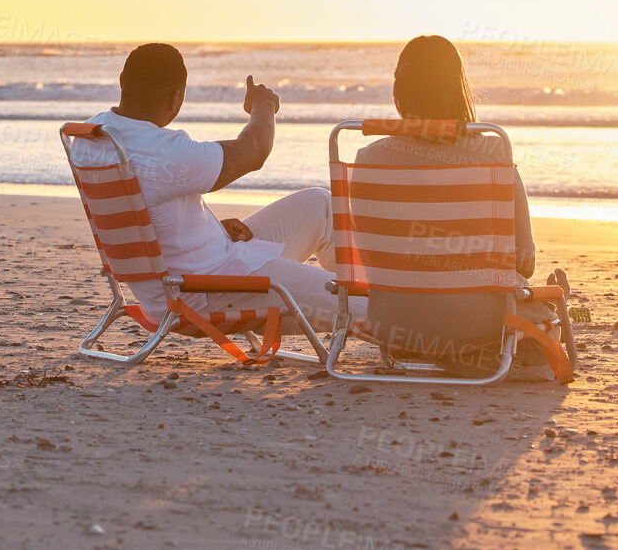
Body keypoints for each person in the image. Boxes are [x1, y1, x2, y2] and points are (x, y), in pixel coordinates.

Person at [68, 42, 347, 334]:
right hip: (210, 294)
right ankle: (371, 309)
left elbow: (143, 214)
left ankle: (359, 290)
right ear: (177, 97)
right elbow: (254, 151)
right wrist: (263, 105)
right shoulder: (164, 152)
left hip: (181, 284)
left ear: (122, 81)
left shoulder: (89, 136)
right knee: (368, 311)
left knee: (320, 204)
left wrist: (207, 231)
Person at [354, 34, 550, 376]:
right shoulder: (493, 156)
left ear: (400, 86)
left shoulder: (368, 160)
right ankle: (467, 352)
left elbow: (372, 254)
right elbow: (524, 261)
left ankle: (441, 350)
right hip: (481, 324)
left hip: (393, 323)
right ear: (458, 84)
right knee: (541, 311)